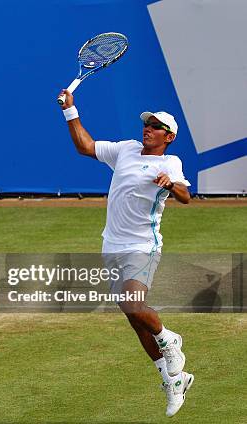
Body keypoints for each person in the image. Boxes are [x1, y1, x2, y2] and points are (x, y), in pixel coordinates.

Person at [58, 89, 193, 418]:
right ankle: (171, 377)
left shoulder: (170, 162)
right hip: (112, 245)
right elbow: (85, 147)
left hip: (142, 246)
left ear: (169, 136)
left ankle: (168, 338)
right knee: (134, 317)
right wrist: (70, 112)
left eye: (156, 126)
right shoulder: (126, 150)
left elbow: (186, 196)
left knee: (135, 304)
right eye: (147, 123)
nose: (148, 128)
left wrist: (169, 184)